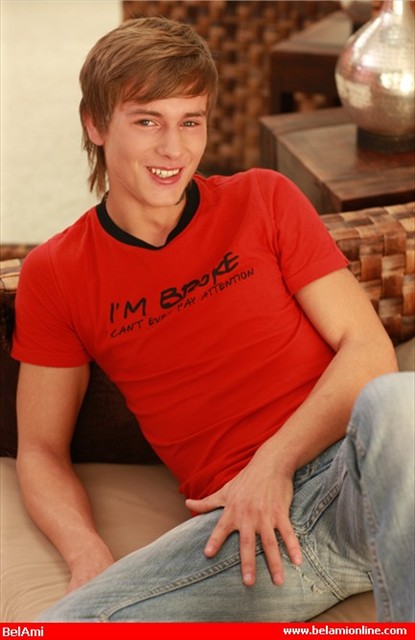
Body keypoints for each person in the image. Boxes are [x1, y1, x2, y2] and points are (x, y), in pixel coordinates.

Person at [12, 16, 414, 622]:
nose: (173, 150)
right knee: (64, 626)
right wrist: (86, 552)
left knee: (399, 403)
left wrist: (272, 465)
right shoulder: (57, 272)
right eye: (148, 121)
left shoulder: (263, 198)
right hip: (244, 538)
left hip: (354, 476)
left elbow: (368, 350)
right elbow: (40, 449)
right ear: (95, 124)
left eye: (190, 121)